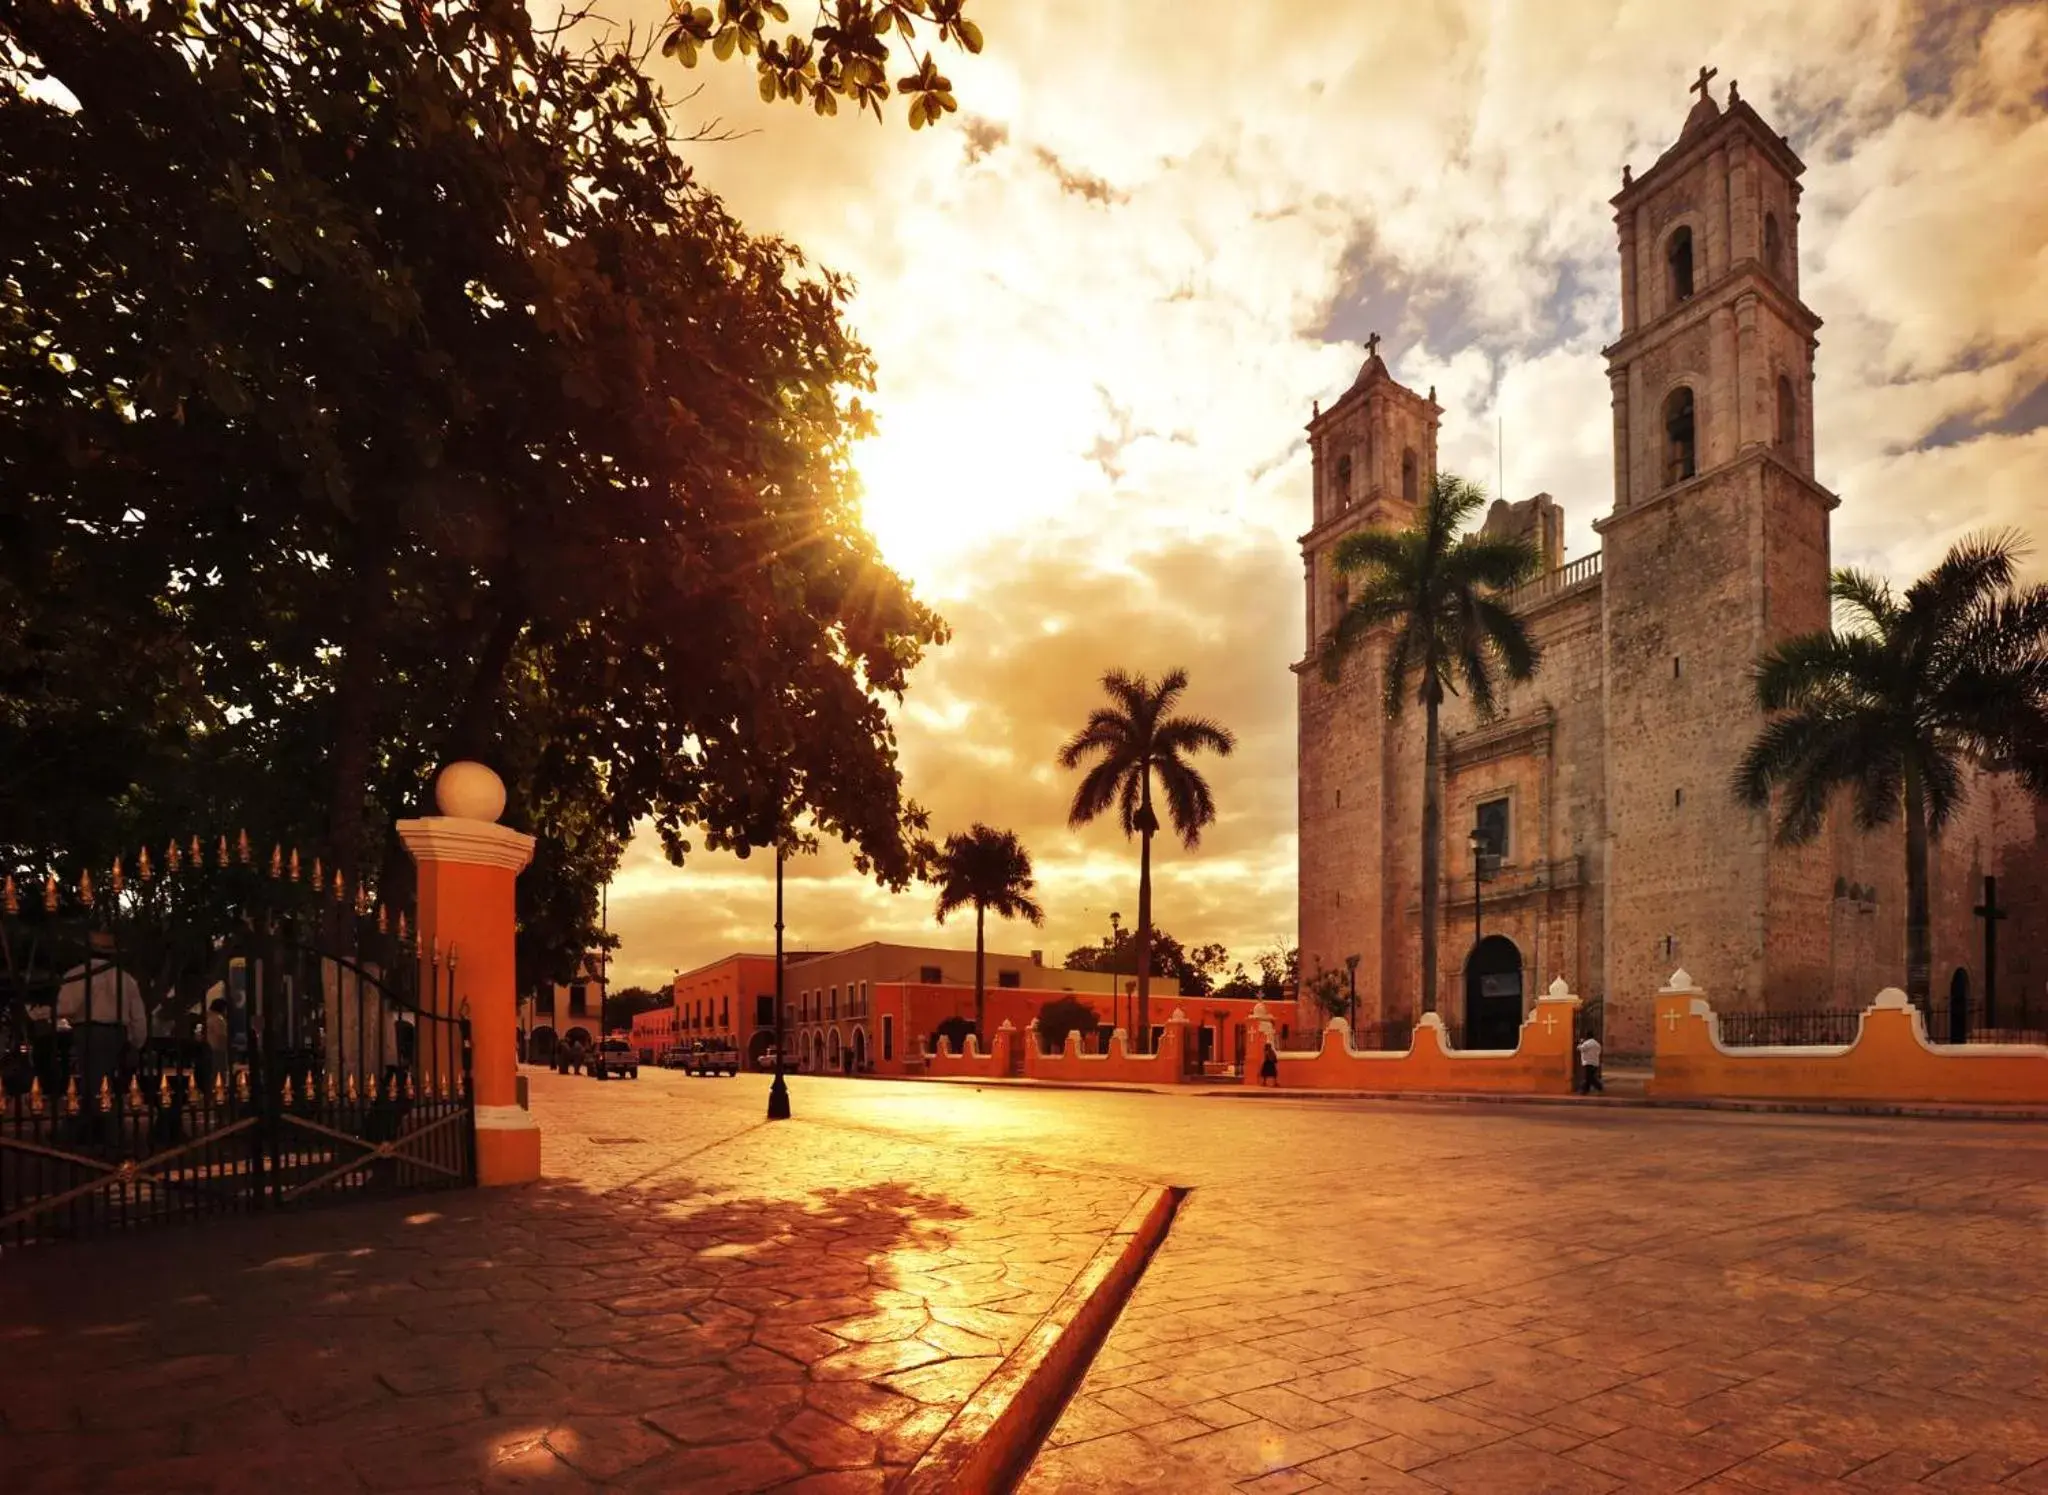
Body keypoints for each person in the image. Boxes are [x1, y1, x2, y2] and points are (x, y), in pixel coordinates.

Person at [55, 929, 146, 1125]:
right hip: (117, 1033)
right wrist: (137, 1042)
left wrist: (41, 1013)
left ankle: (102, 1131)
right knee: (108, 1082)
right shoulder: (126, 978)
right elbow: (137, 1015)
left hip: (88, 1031)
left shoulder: (77, 975)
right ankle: (97, 1127)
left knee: (94, 1083)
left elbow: (66, 1008)